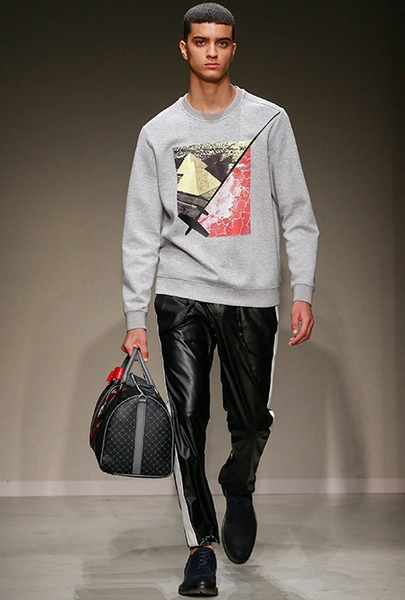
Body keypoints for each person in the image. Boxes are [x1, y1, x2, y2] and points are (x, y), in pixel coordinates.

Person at [121, 3, 319, 596]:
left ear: (234, 48)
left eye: (222, 42)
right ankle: (200, 549)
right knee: (186, 421)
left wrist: (303, 289)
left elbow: (298, 214)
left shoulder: (269, 121)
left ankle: (238, 483)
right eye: (202, 41)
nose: (212, 51)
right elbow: (140, 231)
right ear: (183, 48)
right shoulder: (158, 133)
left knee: (251, 421)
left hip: (252, 295)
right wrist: (135, 316)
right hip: (181, 295)